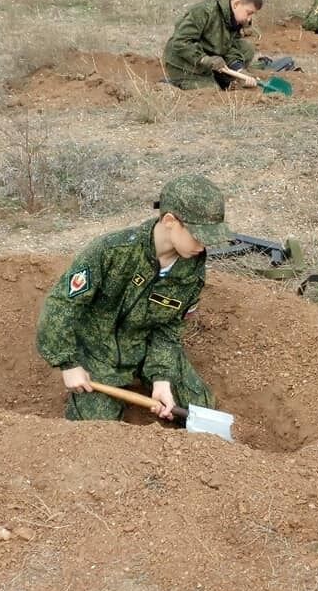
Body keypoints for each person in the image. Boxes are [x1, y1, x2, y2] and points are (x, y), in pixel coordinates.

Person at [36, 174, 232, 421]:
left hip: (144, 348)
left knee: (201, 409)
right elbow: (62, 304)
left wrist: (162, 378)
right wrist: (68, 363)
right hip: (98, 352)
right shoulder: (110, 252)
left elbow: (168, 328)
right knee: (97, 430)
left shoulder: (192, 274)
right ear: (170, 220)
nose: (203, 247)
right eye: (198, 235)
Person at [162, 0, 264, 90]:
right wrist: (205, 59)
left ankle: (223, 79)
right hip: (183, 62)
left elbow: (230, 48)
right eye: (249, 13)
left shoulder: (233, 19)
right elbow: (181, 42)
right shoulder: (205, 12)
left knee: (246, 48)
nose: (249, 19)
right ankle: (173, 83)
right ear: (236, 4)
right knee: (211, 90)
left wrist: (239, 69)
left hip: (210, 59)